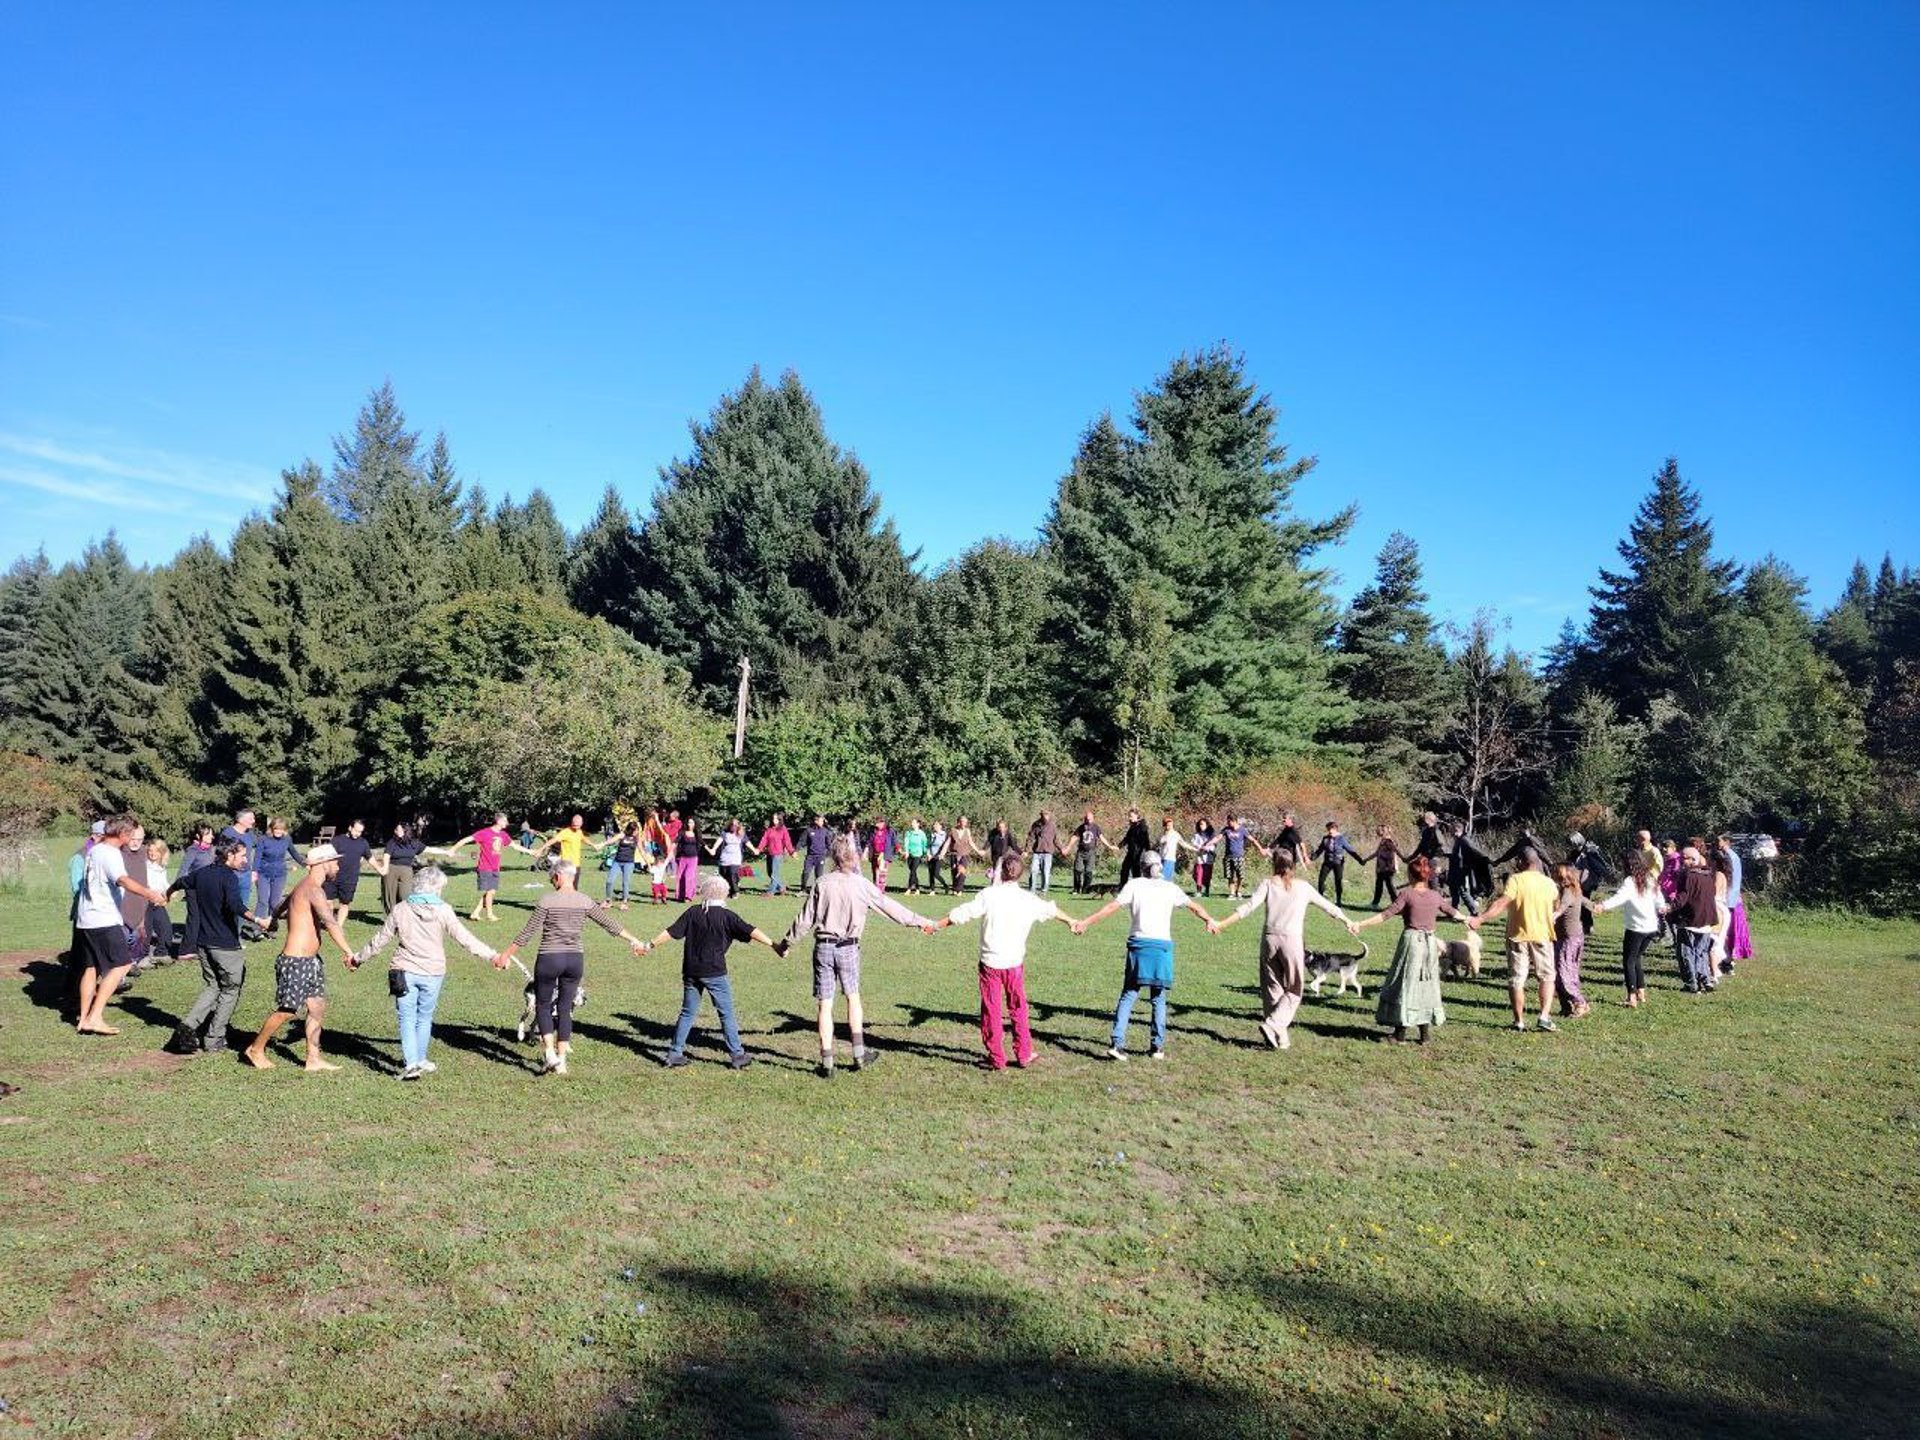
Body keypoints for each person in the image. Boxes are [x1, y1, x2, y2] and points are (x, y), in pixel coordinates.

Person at [777, 836, 935, 1078]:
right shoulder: (862, 885)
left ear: (833, 856)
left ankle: (827, 1062)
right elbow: (892, 909)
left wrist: (786, 942)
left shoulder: (822, 882)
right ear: (852, 857)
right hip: (849, 947)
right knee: (853, 998)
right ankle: (859, 1054)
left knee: (825, 1004)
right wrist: (921, 922)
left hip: (824, 947)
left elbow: (805, 919)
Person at [493, 859, 649, 1075]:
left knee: (544, 1005)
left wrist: (505, 956)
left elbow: (527, 933)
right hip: (575, 960)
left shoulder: (547, 900)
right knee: (565, 1009)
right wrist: (634, 940)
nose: (552, 883)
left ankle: (549, 1053)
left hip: (549, 958)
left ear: (557, 876)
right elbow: (609, 924)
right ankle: (562, 1061)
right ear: (573, 876)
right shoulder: (585, 900)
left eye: (551, 879)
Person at [348, 865, 499, 1079]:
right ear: (435, 888)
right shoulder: (443, 910)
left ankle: (413, 1063)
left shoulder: (401, 908)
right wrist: (492, 955)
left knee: (407, 1018)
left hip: (403, 970)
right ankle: (419, 1060)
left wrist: (357, 958)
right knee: (424, 1017)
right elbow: (465, 939)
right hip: (433, 972)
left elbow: (380, 940)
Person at [938, 851, 1077, 1070]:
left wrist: (938, 924)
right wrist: (1071, 921)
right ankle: (1023, 1053)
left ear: (1001, 872)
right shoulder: (1027, 899)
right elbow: (1051, 910)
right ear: (1020, 875)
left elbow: (962, 914)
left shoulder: (989, 895)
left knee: (991, 1009)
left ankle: (996, 1057)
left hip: (990, 964)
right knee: (1018, 1007)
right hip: (1013, 964)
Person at [1213, 848, 1357, 1050]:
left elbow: (1247, 907)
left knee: (1273, 988)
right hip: (1292, 942)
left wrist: (1222, 924)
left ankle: (1280, 1039)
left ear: (1274, 864)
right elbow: (1328, 906)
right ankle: (1273, 1025)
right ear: (1293, 865)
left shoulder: (1267, 884)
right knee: (1294, 989)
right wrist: (1347, 921)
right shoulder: (1303, 887)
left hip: (1269, 941)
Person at [1079, 851, 1216, 1061]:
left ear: (1141, 867)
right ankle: (1157, 1047)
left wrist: (1086, 922)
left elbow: (1110, 908)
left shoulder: (1134, 886)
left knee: (1129, 994)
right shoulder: (1170, 888)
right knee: (1158, 998)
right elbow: (1194, 907)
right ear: (1160, 867)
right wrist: (1209, 920)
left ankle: (1117, 1043)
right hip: (1161, 948)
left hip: (1139, 945)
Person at [241, 845, 358, 1072]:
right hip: (296, 962)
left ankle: (313, 1059)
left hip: (311, 960)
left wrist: (274, 920)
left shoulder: (303, 887)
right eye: (335, 861)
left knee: (317, 1007)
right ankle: (255, 1049)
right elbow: (331, 923)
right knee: (287, 1010)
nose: (338, 865)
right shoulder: (314, 889)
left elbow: (281, 906)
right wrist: (348, 951)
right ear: (323, 863)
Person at [649, 875, 777, 1070]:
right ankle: (737, 1055)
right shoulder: (728, 916)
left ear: (704, 892)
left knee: (687, 1012)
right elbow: (751, 931)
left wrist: (649, 945)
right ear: (725, 893)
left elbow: (671, 932)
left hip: (691, 970)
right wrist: (773, 945)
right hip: (715, 972)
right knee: (726, 1013)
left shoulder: (693, 912)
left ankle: (674, 1053)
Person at [164, 839, 269, 1055]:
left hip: (203, 943)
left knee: (212, 986)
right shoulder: (229, 877)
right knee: (230, 989)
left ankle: (187, 1026)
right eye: (241, 855)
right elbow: (235, 905)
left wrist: (167, 893)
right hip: (225, 947)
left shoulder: (201, 874)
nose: (245, 859)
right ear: (229, 855)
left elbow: (182, 881)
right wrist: (258, 920)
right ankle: (214, 1038)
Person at [72, 817, 171, 1035]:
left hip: (86, 919)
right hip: (103, 919)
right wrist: (150, 893)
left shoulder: (95, 850)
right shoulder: (110, 853)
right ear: (124, 834)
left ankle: (84, 1017)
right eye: (131, 835)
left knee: (91, 968)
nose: (133, 840)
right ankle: (95, 1017)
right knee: (122, 965)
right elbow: (123, 880)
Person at [1354, 855, 1462, 1045]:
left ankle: (1400, 1035)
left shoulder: (1406, 894)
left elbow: (1385, 915)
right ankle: (1424, 1035)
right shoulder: (1435, 895)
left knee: (1405, 984)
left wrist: (1360, 924)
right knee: (1426, 985)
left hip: (1412, 943)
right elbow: (1452, 912)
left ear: (1411, 876)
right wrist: (1471, 920)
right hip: (1430, 944)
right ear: (1427, 876)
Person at [1468, 853, 1560, 1033]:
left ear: (1523, 862)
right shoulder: (1549, 883)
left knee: (1517, 979)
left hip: (1517, 935)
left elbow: (1502, 902)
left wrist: (1481, 918)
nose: (1516, 863)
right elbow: (1556, 905)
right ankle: (1544, 1016)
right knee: (1547, 976)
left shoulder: (1516, 880)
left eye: (1518, 860)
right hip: (1542, 935)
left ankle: (1519, 1021)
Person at [1594, 850, 1665, 1007]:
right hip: (1651, 927)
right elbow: (1659, 900)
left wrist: (1602, 906)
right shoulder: (1650, 879)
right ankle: (1641, 992)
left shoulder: (1630, 881)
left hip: (1636, 928)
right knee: (1636, 958)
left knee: (1628, 961)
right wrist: (1662, 907)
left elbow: (1619, 898)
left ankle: (1631, 997)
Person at [444, 813, 521, 922]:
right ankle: (490, 914)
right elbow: (466, 840)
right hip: (485, 867)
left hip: (495, 868)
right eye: (505, 821)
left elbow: (514, 846)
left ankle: (475, 913)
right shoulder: (485, 833)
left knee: (491, 892)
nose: (507, 823)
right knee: (490, 892)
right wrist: (453, 849)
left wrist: (531, 852)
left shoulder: (503, 835)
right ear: (498, 821)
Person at [1670, 840, 1720, 994]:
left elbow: (1683, 897)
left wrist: (1670, 908)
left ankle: (1691, 983)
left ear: (1693, 860)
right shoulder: (1708, 874)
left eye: (1683, 858)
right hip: (1706, 919)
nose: (1680, 861)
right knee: (1701, 952)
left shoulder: (1687, 876)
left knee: (1686, 953)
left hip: (1690, 919)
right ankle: (1705, 980)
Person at [1550, 863, 1592, 1018]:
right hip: (1566, 937)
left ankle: (1580, 1002)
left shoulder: (1568, 892)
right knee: (1564, 971)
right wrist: (1598, 907)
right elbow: (1587, 903)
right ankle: (1566, 1006)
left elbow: (1561, 908)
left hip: (1569, 938)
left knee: (1563, 972)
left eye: (1557, 874)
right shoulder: (1574, 890)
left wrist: (1552, 916)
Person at [325, 819, 375, 925]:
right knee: (328, 902)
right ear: (350, 828)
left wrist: (381, 869)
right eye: (356, 830)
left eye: (360, 832)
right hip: (332, 877)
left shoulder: (363, 843)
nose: (357, 834)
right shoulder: (337, 840)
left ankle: (338, 926)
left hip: (350, 879)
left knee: (344, 904)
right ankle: (330, 924)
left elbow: (370, 858)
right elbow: (327, 856)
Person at [1716, 835, 1754, 970]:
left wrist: (1726, 897)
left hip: (1729, 899)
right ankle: (1726, 959)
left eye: (1719, 840)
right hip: (1731, 898)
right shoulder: (1729, 856)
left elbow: (1732, 879)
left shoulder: (1730, 857)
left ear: (1726, 842)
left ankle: (1728, 960)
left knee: (1728, 931)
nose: (1716, 843)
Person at [140, 838, 181, 963]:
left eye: (156, 851)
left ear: (161, 853)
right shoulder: (144, 865)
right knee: (145, 931)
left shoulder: (161, 867)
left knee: (166, 929)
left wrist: (171, 892)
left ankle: (161, 954)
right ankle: (142, 956)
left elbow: (164, 884)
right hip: (146, 902)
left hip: (158, 903)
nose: (152, 853)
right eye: (150, 850)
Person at [254, 818, 302, 919]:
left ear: (285, 830)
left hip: (280, 874)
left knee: (274, 902)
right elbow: (257, 856)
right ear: (271, 828)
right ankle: (257, 929)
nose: (278, 831)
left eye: (281, 829)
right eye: (276, 828)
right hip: (263, 873)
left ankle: (271, 927)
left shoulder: (287, 839)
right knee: (262, 901)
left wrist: (305, 863)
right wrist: (254, 872)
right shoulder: (263, 839)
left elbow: (294, 852)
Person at [378, 821, 427, 914]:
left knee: (405, 895)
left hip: (406, 871)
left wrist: (447, 852)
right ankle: (392, 919)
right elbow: (386, 855)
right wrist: (385, 867)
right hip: (391, 869)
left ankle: (405, 916)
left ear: (405, 830)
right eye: (396, 830)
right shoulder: (392, 842)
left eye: (398, 829)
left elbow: (429, 849)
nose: (396, 831)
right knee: (390, 896)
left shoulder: (414, 843)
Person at [1445, 820, 1491, 915]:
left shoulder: (1464, 840)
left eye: (1452, 830)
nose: (1450, 832)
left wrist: (1487, 859)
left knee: (1463, 891)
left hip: (1461, 869)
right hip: (1456, 869)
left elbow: (1475, 850)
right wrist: (1447, 855)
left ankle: (1474, 912)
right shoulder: (1458, 840)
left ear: (1457, 829)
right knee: (1454, 890)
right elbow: (1457, 855)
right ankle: (1454, 911)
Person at [1312, 822, 1364, 905]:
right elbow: (1320, 850)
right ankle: (1320, 898)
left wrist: (1360, 860)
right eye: (1328, 829)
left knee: (1338, 881)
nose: (1329, 831)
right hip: (1327, 862)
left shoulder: (1341, 839)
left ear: (1335, 829)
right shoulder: (1325, 838)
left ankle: (1339, 900)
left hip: (1338, 863)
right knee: (1321, 880)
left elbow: (1350, 850)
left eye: (1330, 829)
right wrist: (1312, 857)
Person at [220, 809, 262, 910]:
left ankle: (238, 926)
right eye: (250, 818)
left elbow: (260, 846)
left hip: (246, 874)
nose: (253, 821)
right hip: (231, 873)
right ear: (240, 820)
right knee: (228, 905)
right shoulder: (228, 833)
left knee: (242, 907)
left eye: (254, 818)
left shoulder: (250, 834)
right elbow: (221, 855)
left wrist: (254, 872)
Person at [1069, 811, 1115, 895]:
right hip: (1081, 851)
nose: (1088, 820)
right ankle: (1076, 889)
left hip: (1091, 852)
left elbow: (1101, 837)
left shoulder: (1096, 827)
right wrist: (1068, 847)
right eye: (1086, 819)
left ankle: (1086, 889)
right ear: (1084, 819)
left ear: (1093, 819)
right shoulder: (1081, 827)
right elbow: (1075, 837)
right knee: (1077, 870)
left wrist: (1109, 846)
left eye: (1089, 819)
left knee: (1088, 871)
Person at [601, 821, 642, 906]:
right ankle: (608, 900)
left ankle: (624, 902)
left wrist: (649, 864)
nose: (636, 832)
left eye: (637, 830)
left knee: (625, 883)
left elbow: (642, 851)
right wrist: (601, 845)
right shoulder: (622, 835)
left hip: (629, 863)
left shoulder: (637, 839)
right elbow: (611, 841)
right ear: (630, 830)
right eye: (635, 831)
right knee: (609, 881)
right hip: (617, 862)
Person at [756, 813, 795, 896]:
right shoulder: (769, 829)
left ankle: (771, 892)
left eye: (776, 819)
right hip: (770, 853)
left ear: (780, 820)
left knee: (774, 873)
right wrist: (759, 849)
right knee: (770, 873)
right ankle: (781, 887)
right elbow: (764, 839)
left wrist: (791, 851)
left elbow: (787, 841)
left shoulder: (783, 829)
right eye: (773, 819)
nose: (774, 821)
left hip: (778, 854)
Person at [1363, 826, 1402, 908]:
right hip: (1381, 868)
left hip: (1388, 868)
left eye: (1380, 831)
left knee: (1390, 886)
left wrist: (1400, 861)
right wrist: (1366, 859)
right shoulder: (1382, 841)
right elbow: (1377, 853)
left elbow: (1395, 853)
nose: (1378, 832)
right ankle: (1375, 904)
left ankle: (1397, 904)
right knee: (1379, 886)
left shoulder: (1389, 842)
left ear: (1384, 832)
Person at [707, 819, 748, 897]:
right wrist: (713, 849)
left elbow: (747, 842)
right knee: (724, 874)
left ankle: (735, 891)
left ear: (738, 826)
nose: (734, 827)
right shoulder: (725, 833)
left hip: (736, 858)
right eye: (732, 825)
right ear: (730, 825)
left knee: (732, 873)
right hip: (725, 857)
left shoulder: (741, 834)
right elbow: (719, 841)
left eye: (736, 825)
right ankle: (729, 890)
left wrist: (755, 850)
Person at [1219, 814, 1253, 899]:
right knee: (1230, 876)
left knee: (1240, 876)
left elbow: (1252, 839)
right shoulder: (1226, 830)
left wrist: (1260, 848)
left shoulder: (1242, 830)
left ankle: (1239, 891)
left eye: (1229, 821)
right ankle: (1232, 893)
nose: (1228, 823)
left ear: (1234, 821)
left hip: (1239, 856)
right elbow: (1217, 838)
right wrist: (1207, 844)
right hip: (1228, 856)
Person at [1116, 808, 1152, 891]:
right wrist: (1119, 846)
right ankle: (1122, 887)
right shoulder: (1133, 826)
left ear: (1137, 816)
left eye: (1131, 816)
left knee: (1136, 872)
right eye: (1129, 816)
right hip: (1130, 852)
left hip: (1138, 853)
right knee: (1124, 869)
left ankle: (1137, 889)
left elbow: (1146, 839)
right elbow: (1127, 838)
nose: (1129, 818)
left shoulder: (1142, 826)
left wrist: (1148, 851)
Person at [948, 816, 984, 894]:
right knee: (954, 871)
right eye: (962, 821)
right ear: (958, 821)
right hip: (954, 854)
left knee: (962, 871)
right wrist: (942, 853)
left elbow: (970, 842)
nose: (963, 823)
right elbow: (947, 842)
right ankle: (955, 888)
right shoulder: (953, 830)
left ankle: (959, 889)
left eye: (965, 822)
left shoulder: (967, 831)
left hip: (964, 855)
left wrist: (978, 851)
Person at [1026, 810, 1059, 894]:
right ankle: (1032, 889)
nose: (1045, 817)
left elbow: (1056, 839)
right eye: (1043, 815)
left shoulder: (1052, 826)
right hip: (1037, 852)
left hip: (1048, 853)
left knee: (1045, 872)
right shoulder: (1035, 825)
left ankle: (1044, 890)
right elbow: (1030, 838)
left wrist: (1062, 849)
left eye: (1047, 815)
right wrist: (1027, 849)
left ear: (1049, 816)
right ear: (1040, 815)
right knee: (1033, 870)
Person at [800, 815, 834, 893]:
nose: (822, 822)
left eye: (822, 821)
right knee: (806, 872)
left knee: (819, 875)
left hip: (821, 856)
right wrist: (795, 850)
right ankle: (803, 889)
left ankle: (818, 890)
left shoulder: (825, 831)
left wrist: (831, 853)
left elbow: (828, 844)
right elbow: (802, 842)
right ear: (816, 821)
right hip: (810, 856)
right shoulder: (808, 830)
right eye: (821, 821)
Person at [672, 818, 702, 902]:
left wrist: (711, 850)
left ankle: (688, 896)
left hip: (693, 858)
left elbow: (702, 842)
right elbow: (675, 842)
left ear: (695, 824)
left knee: (689, 876)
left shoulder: (696, 834)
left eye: (692, 823)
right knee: (681, 877)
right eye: (689, 822)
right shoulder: (682, 833)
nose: (690, 824)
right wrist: (670, 850)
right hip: (683, 858)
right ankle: (680, 895)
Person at [901, 817, 930, 894]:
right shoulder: (908, 833)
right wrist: (906, 852)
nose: (912, 824)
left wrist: (926, 853)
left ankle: (909, 888)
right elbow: (906, 843)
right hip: (910, 854)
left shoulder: (921, 833)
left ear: (918, 824)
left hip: (918, 854)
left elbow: (925, 844)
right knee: (913, 871)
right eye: (912, 822)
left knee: (913, 871)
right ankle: (917, 888)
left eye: (914, 823)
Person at [1190, 818, 1218, 896]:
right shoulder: (1196, 835)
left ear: (1207, 825)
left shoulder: (1211, 835)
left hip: (1208, 858)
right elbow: (1193, 843)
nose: (1201, 826)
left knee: (1207, 874)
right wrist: (1199, 847)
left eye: (1202, 824)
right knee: (1197, 874)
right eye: (1200, 824)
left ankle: (1206, 890)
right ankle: (1199, 890)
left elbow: (1214, 845)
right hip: (1199, 858)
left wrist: (1207, 848)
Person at [868, 816, 894, 891]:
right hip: (875, 854)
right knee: (875, 873)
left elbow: (894, 842)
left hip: (885, 855)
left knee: (882, 873)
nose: (876, 824)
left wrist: (899, 850)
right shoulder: (873, 831)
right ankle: (875, 889)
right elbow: (869, 841)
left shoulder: (889, 831)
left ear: (883, 823)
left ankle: (881, 890)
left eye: (878, 823)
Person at [926, 818, 951, 894]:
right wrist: (928, 854)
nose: (934, 826)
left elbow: (946, 846)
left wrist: (942, 854)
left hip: (939, 856)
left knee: (936, 874)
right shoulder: (931, 834)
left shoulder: (945, 835)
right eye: (934, 824)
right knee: (931, 874)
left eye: (936, 824)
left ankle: (945, 886)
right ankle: (932, 890)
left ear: (941, 826)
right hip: (931, 856)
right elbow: (928, 845)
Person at [1157, 815, 1185, 883]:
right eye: (1167, 824)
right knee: (1162, 878)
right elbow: (1160, 842)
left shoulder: (1176, 834)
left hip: (1170, 859)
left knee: (1165, 879)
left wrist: (1195, 849)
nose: (1169, 825)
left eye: (1170, 824)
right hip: (1162, 858)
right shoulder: (1164, 835)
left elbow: (1184, 844)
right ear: (1165, 826)